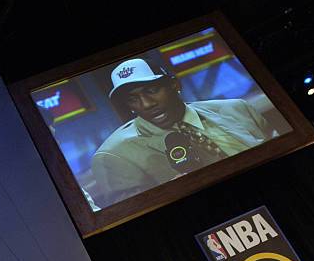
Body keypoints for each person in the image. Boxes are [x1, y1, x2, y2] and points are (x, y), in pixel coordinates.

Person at [92, 57, 278, 205]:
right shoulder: (112, 156)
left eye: (152, 90)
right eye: (133, 99)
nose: (146, 104)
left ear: (175, 85)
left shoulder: (238, 109)